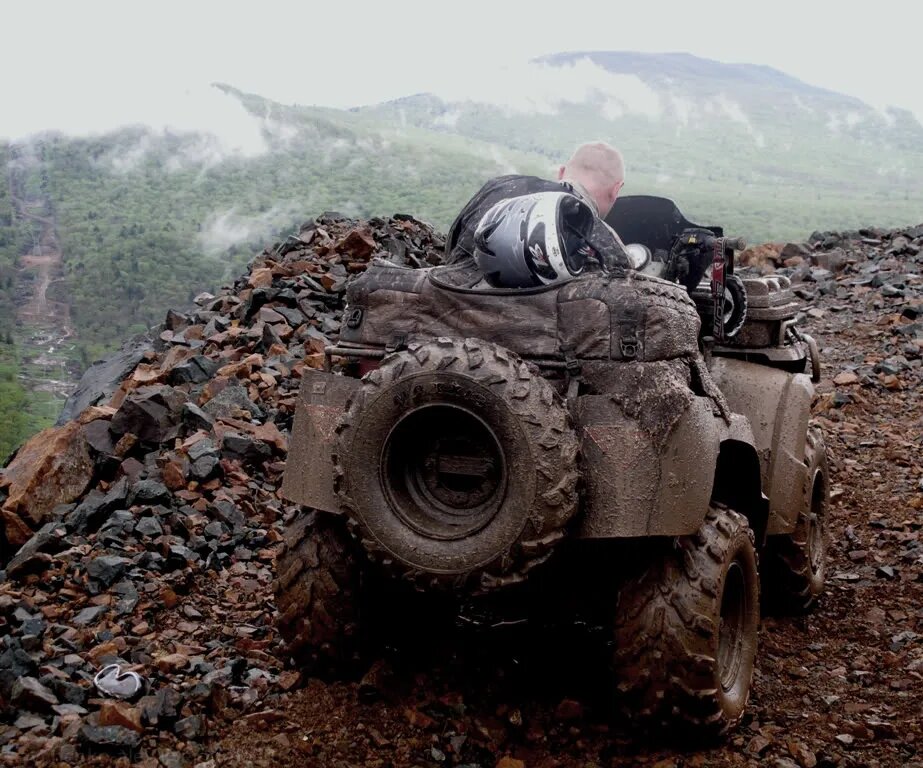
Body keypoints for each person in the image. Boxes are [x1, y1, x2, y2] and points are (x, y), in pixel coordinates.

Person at [445, 141, 630, 271]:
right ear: (616, 189)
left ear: (562, 172)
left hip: (445, 302)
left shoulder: (500, 186)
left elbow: (452, 246)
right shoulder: (607, 243)